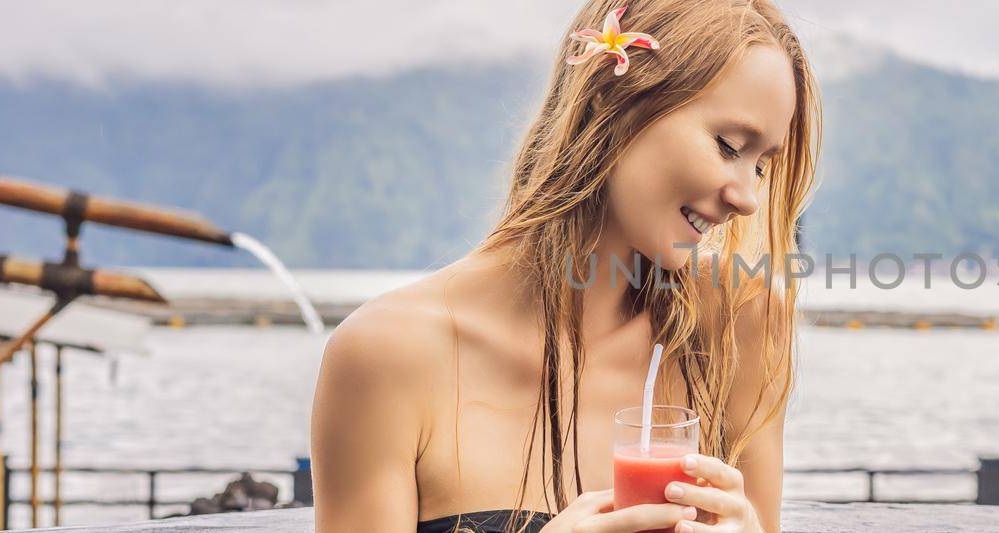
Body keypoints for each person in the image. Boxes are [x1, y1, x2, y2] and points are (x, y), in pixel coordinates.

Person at [309, 0, 819, 531]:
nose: (747, 198)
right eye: (728, 145)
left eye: (761, 166)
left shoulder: (740, 326)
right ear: (612, 98)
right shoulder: (386, 355)